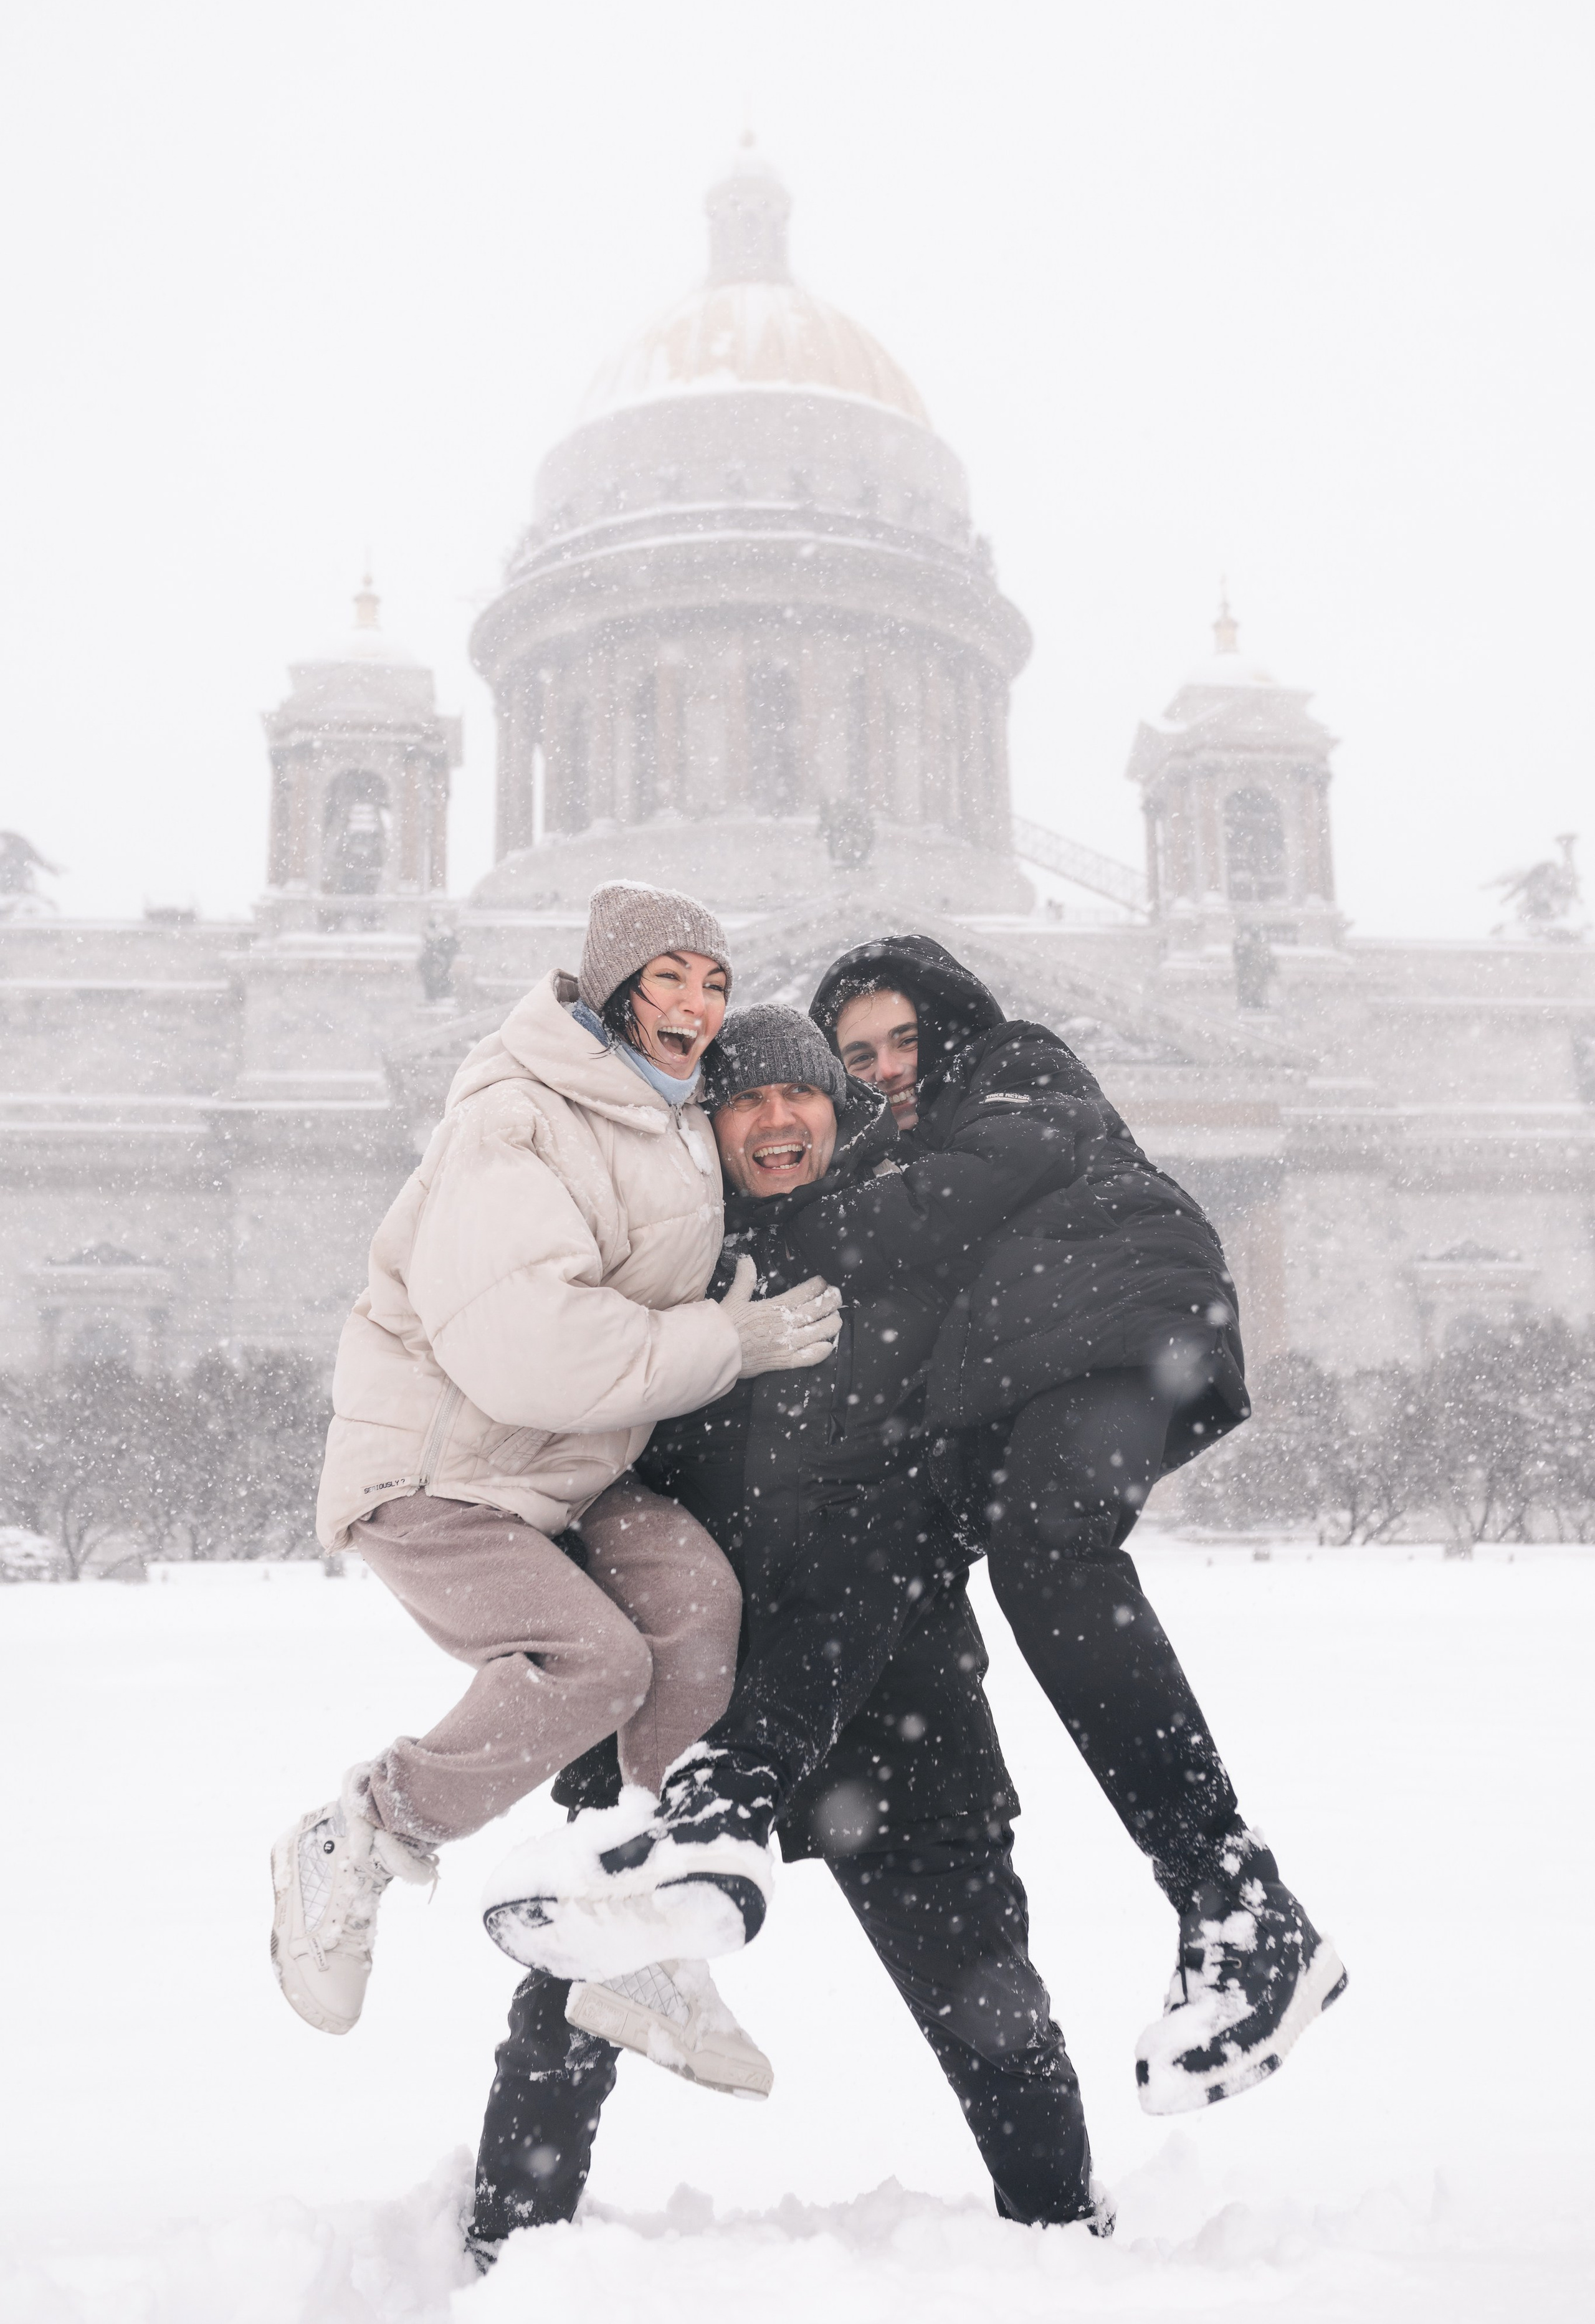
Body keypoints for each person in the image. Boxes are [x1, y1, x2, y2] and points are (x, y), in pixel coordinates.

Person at [470, 1007, 1105, 2255]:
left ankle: (1062, 2239)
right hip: (683, 1702)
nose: (773, 1122)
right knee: (578, 1995)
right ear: (701, 1126)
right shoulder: (656, 1278)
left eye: (796, 1098)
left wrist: (761, 1744)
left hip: (888, 1703)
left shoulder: (912, 1273)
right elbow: (579, 1472)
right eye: (741, 1102)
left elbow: (885, 1539)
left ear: (837, 1109)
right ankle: (505, 2246)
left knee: (987, 2003)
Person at [269, 885, 841, 2062]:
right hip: (443, 1467)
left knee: (697, 1608)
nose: (695, 1003)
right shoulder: (516, 1115)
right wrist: (724, 1344)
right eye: (670, 976)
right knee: (597, 1662)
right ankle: (364, 1830)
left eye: (715, 984)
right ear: (616, 987)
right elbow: (529, 1350)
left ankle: (639, 1914)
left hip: (573, 1470)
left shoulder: (676, 1116)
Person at [806, 934, 1346, 2114]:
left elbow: (936, 1214)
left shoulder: (1021, 1071)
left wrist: (792, 1208)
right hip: (1026, 1369)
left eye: (904, 1038)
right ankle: (712, 1823)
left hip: (1117, 1320)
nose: (887, 1066)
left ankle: (1240, 1901)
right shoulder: (900, 1154)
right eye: (858, 1055)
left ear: (954, 1026)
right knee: (922, 1566)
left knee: (1049, 1551)